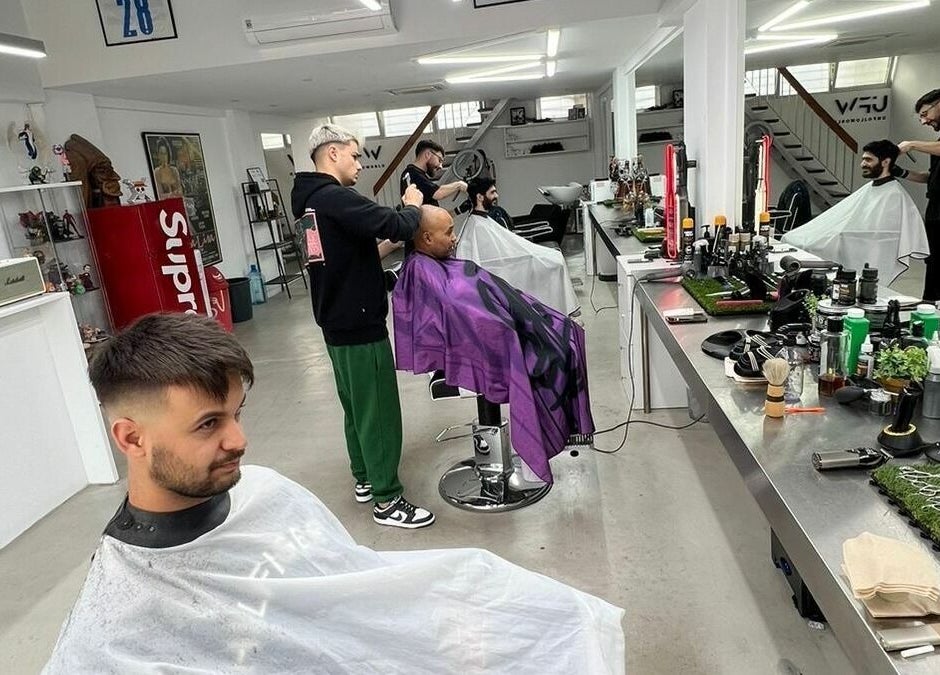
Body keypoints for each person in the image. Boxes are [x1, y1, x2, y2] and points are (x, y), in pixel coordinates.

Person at [42, 313, 625, 673]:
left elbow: (354, 582)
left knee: (547, 615)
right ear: (130, 438)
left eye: (237, 414)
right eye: (208, 424)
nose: (240, 441)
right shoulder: (114, 627)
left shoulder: (263, 491)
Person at [291, 124, 434, 529]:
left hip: (334, 321)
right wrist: (412, 205)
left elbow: (342, 253)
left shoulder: (307, 201)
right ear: (332, 153)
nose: (359, 164)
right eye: (354, 156)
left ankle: (365, 479)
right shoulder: (335, 197)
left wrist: (381, 268)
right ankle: (388, 500)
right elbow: (398, 225)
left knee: (355, 408)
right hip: (358, 325)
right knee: (379, 412)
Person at [394, 207, 593, 484]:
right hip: (487, 350)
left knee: (566, 331)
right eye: (449, 232)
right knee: (554, 351)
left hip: (501, 333)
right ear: (427, 239)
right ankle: (518, 457)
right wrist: (507, 332)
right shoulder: (422, 272)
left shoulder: (430, 264)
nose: (454, 239)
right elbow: (465, 317)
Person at [781, 140, 927, 284]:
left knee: (812, 244)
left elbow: (881, 235)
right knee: (792, 238)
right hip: (846, 238)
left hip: (862, 247)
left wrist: (841, 235)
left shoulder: (894, 194)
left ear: (885, 162)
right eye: (863, 160)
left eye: (868, 160)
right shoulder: (873, 188)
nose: (863, 164)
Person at [460, 177, 579, 315]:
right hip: (502, 269)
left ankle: (564, 311)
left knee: (555, 257)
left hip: (508, 260)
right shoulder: (476, 226)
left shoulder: (482, 220)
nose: (496, 196)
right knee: (554, 263)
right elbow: (482, 262)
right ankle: (562, 312)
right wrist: (528, 255)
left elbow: (504, 246)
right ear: (480, 197)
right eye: (492, 193)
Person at [896, 89, 940, 300]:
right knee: (933, 263)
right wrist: (900, 172)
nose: (924, 121)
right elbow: (929, 177)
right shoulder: (936, 144)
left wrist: (912, 144)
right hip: (935, 211)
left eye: (925, 114)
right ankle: (929, 306)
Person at [399, 140, 467, 256]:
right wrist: (458, 185)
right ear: (428, 155)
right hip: (423, 247)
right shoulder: (413, 174)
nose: (440, 166)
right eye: (439, 160)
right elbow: (437, 193)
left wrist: (459, 210)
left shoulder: (418, 176)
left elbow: (432, 215)